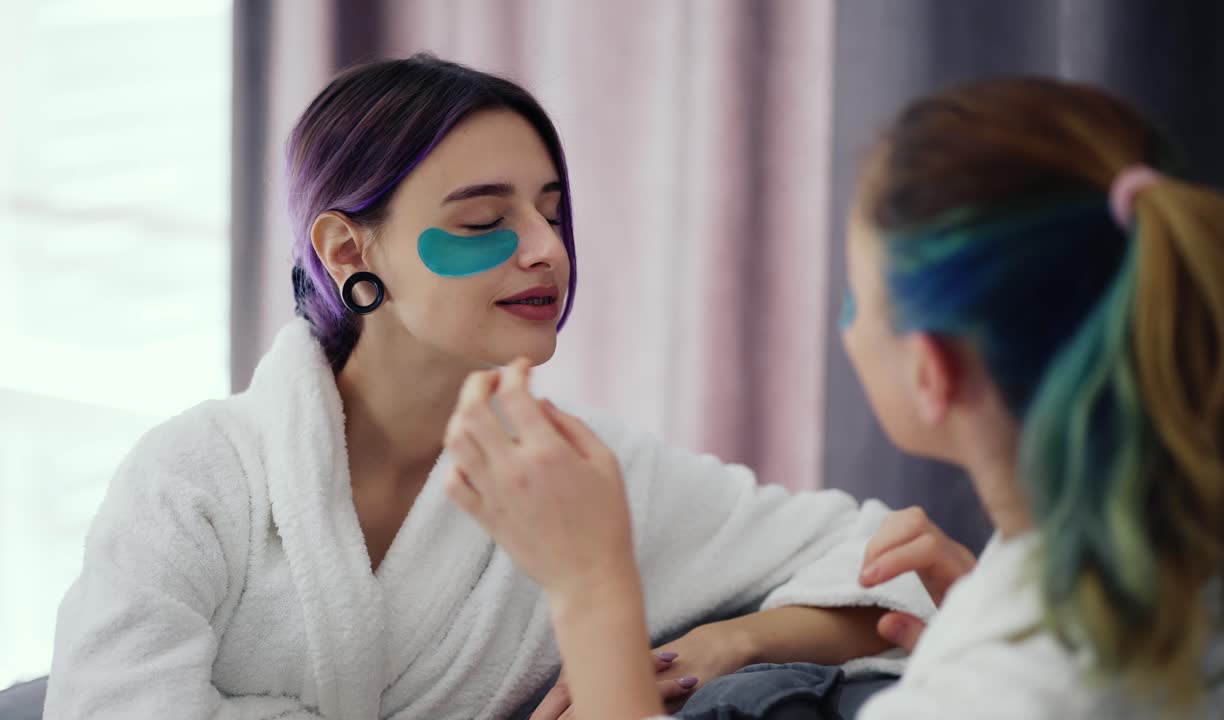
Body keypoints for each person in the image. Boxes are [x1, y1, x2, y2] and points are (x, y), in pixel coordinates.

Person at [42, 54, 938, 720]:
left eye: (551, 210)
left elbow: (893, 571)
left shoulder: (581, 474)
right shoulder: (195, 478)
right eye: (484, 220)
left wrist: (729, 642)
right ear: (350, 251)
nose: (546, 247)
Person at [445, 76, 1224, 720]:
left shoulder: (1008, 682)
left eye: (856, 298)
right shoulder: (1214, 556)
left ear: (930, 370)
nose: (545, 251)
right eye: (483, 220)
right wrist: (979, 613)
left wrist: (592, 593)